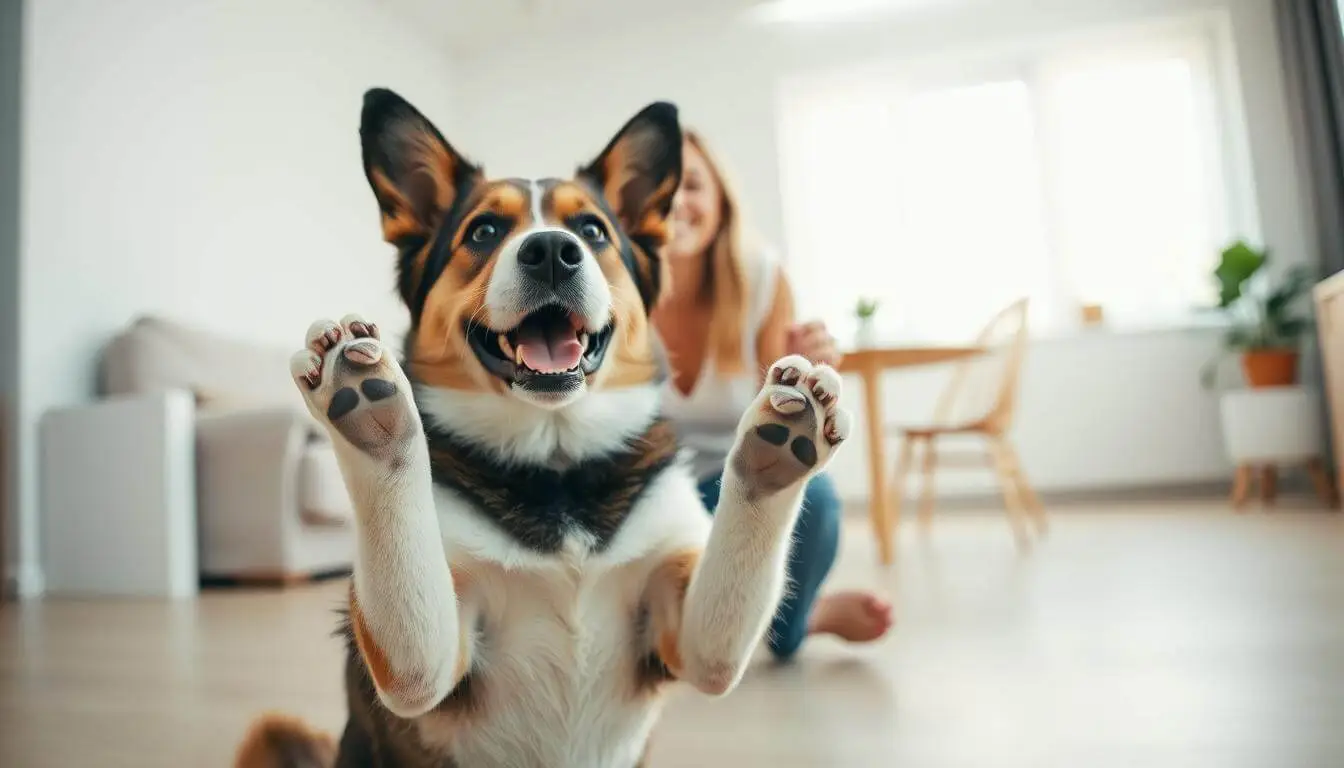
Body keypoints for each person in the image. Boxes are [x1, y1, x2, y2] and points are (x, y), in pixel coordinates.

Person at [653, 128, 894, 660]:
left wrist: (803, 378)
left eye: (691, 185)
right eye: (658, 186)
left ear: (720, 201)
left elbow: (776, 418)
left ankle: (795, 622)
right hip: (647, 494)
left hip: (731, 488)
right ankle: (764, 617)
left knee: (817, 499)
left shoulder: (761, 280)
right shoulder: (609, 289)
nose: (675, 201)